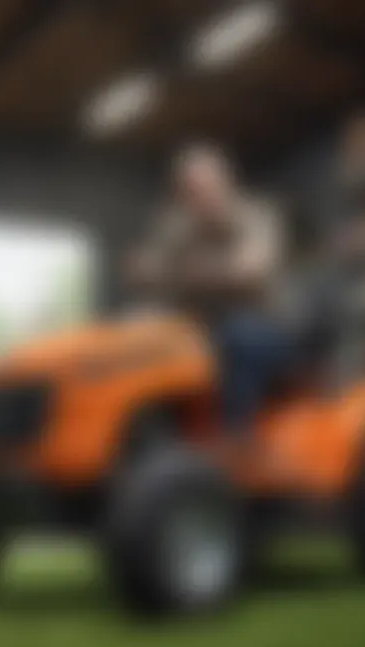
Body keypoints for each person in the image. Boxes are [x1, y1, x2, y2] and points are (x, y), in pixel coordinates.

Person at [128, 144, 292, 447]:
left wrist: (182, 272)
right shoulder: (178, 225)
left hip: (264, 327)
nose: (198, 196)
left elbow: (250, 270)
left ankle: (237, 437)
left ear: (225, 182)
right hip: (198, 328)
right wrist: (150, 268)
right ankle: (157, 436)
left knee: (238, 336)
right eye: (189, 190)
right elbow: (147, 266)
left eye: (205, 186)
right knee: (140, 332)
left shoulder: (256, 216)